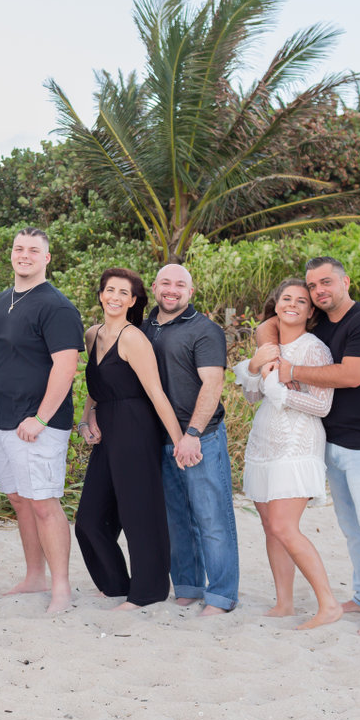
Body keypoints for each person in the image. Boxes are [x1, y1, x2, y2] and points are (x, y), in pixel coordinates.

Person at [252, 256, 360, 636]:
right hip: (333, 443)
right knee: (352, 529)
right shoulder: (320, 321)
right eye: (312, 285)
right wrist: (270, 353)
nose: (319, 290)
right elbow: (269, 323)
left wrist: (289, 371)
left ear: (345, 282)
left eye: (326, 282)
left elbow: (352, 375)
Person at [0, 228, 83, 614]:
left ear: (47, 258)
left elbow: (66, 366)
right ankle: (35, 575)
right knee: (19, 499)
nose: (25, 255)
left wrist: (40, 418)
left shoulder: (57, 307)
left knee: (43, 503)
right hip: (0, 419)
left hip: (38, 424)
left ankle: (61, 588)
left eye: (34, 250)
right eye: (19, 248)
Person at [233, 278, 341, 630]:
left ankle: (328, 604)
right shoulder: (270, 346)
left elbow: (322, 406)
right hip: (264, 442)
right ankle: (284, 603)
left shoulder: (314, 349)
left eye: (301, 301)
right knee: (271, 528)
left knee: (284, 526)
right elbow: (252, 397)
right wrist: (255, 367)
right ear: (276, 304)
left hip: (297, 443)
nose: (292, 304)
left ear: (310, 312)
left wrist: (281, 391)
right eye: (286, 299)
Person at [75, 268, 185, 609]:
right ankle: (116, 585)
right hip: (107, 428)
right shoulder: (92, 335)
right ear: (100, 294)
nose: (115, 297)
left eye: (124, 293)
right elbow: (95, 387)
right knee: (89, 519)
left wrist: (179, 441)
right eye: (110, 290)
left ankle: (148, 592)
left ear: (133, 301)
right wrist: (86, 419)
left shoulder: (133, 338)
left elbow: (156, 393)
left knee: (139, 513)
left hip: (136, 427)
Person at [143, 263, 240, 616]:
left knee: (212, 518)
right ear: (155, 287)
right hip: (160, 438)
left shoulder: (205, 330)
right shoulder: (144, 328)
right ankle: (187, 586)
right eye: (166, 283)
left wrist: (193, 434)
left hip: (201, 438)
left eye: (180, 285)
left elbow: (213, 384)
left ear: (191, 292)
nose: (172, 290)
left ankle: (222, 595)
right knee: (176, 519)